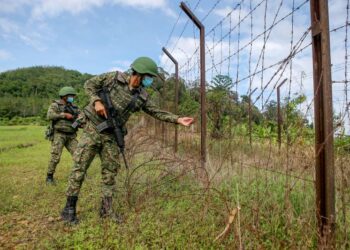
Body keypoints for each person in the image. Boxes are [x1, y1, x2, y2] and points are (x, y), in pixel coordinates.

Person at [61, 57, 194, 224]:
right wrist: (96, 102)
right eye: (148, 77)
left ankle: (106, 210)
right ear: (137, 73)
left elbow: (156, 112)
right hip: (92, 130)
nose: (149, 81)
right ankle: (69, 209)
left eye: (151, 78)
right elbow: (89, 84)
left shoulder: (142, 96)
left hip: (111, 136)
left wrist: (177, 119)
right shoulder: (113, 78)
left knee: (110, 173)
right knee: (79, 168)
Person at [46, 86, 80, 184]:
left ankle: (80, 174)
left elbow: (81, 117)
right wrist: (64, 115)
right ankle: (49, 177)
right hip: (59, 134)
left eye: (73, 95)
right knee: (55, 157)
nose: (72, 97)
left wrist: (78, 122)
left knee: (78, 155)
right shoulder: (55, 105)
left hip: (71, 135)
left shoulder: (75, 107)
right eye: (71, 95)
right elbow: (49, 116)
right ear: (64, 96)